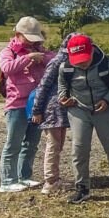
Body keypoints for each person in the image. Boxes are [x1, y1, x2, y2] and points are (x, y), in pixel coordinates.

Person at [58, 34, 109, 204]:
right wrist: (63, 98)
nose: (81, 63)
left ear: (92, 49)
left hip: (105, 110)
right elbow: (62, 86)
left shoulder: (108, 64)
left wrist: (108, 99)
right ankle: (82, 189)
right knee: (79, 150)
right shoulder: (65, 67)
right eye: (77, 60)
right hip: (78, 110)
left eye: (84, 59)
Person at [0, 17, 55, 192]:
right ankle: (7, 181)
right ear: (18, 34)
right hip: (16, 104)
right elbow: (7, 68)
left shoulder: (40, 50)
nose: (31, 41)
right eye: (28, 37)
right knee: (13, 144)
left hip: (37, 105)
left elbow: (55, 61)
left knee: (31, 143)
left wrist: (41, 58)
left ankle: (25, 176)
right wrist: (27, 58)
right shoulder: (8, 52)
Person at [31, 33, 75, 195]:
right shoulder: (57, 62)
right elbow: (43, 86)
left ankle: (54, 178)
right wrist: (37, 110)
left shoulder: (68, 60)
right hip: (51, 109)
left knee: (59, 144)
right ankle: (50, 182)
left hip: (60, 110)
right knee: (53, 145)